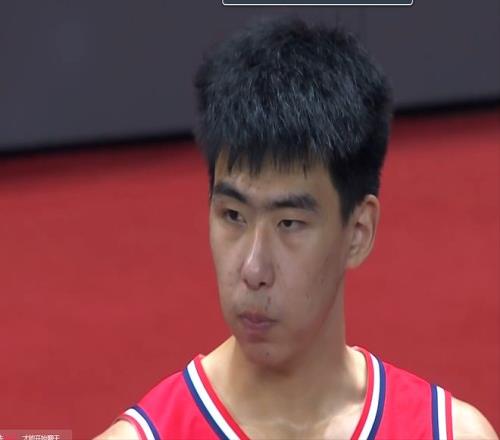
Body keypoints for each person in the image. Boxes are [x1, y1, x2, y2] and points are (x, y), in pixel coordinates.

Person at [95, 18, 497, 440]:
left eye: (289, 223)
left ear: (358, 232)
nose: (253, 270)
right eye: (233, 216)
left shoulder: (448, 433)